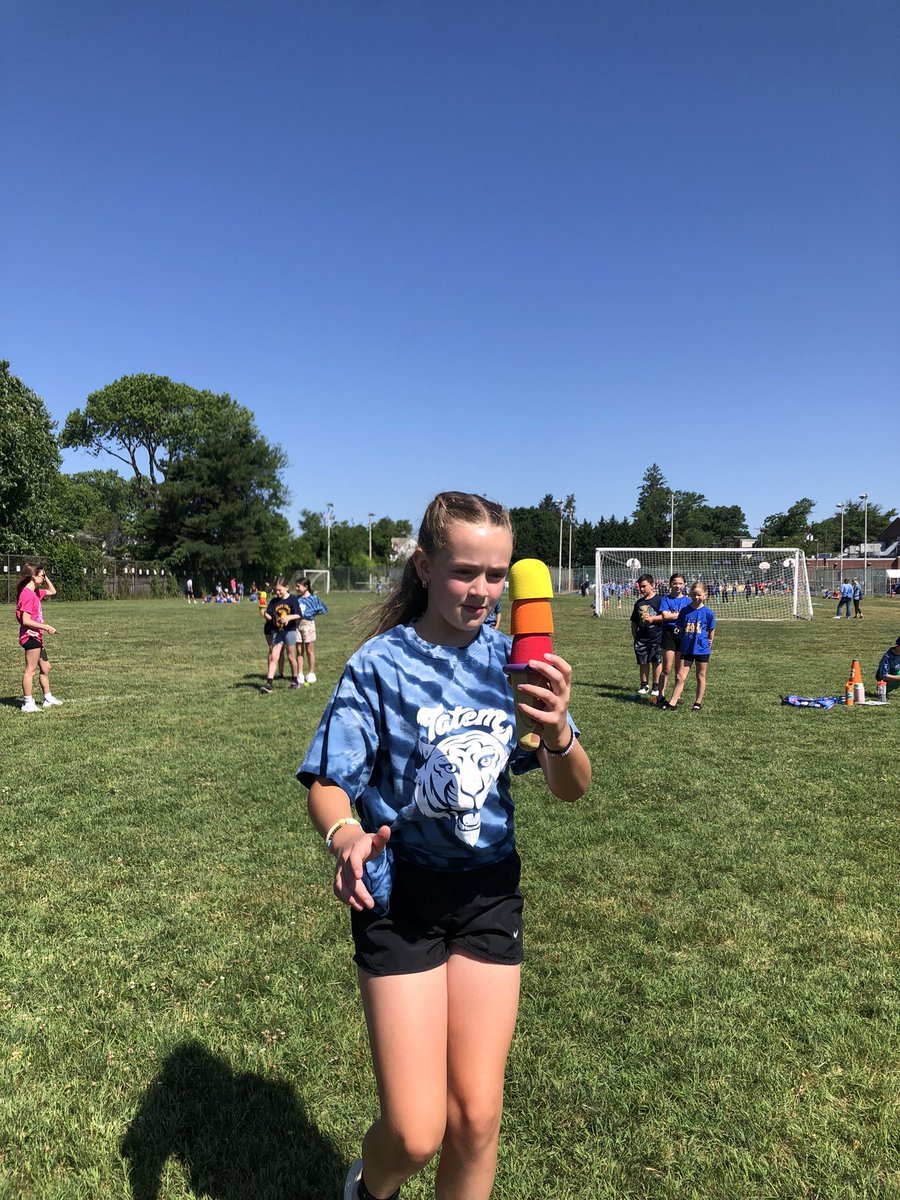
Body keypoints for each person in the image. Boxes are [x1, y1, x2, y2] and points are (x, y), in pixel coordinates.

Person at [298, 491, 590, 1200]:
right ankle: (369, 1189)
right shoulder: (379, 665)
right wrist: (345, 837)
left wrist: (556, 732)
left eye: (497, 575)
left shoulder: (515, 662)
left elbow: (571, 787)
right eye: (465, 572)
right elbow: (329, 781)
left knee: (477, 1119)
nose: (483, 592)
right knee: (415, 1132)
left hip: (488, 892)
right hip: (400, 893)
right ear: (425, 567)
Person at [15, 564, 63, 713]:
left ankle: (47, 698)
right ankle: (28, 703)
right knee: (31, 670)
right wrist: (46, 626)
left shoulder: (35, 592)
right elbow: (26, 620)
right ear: (33, 576)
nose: (43, 578)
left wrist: (44, 575)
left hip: (37, 636)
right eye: (42, 575)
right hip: (30, 636)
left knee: (46, 667)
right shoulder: (28, 594)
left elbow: (52, 591)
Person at [663, 582, 716, 712]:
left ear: (704, 595)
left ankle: (697, 703)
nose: (696, 597)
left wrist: (710, 641)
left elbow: (711, 629)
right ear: (690, 594)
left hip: (701, 649)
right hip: (687, 648)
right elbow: (679, 627)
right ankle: (673, 703)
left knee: (700, 676)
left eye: (699, 595)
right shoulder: (685, 611)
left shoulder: (708, 612)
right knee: (680, 675)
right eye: (694, 594)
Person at [651, 573, 691, 704]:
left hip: (683, 634)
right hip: (669, 634)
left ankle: (676, 696)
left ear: (684, 585)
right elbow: (665, 616)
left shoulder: (688, 600)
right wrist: (680, 615)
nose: (677, 586)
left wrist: (674, 615)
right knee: (667, 668)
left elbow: (689, 616)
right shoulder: (665, 600)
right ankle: (660, 695)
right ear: (670, 585)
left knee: (679, 669)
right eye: (675, 583)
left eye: (680, 583)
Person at [261, 580, 302, 692]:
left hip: (290, 631)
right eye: (275, 590)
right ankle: (269, 683)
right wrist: (263, 612)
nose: (277, 592)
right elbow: (269, 616)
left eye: (279, 590)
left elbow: (299, 615)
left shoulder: (293, 599)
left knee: (290, 656)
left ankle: (294, 680)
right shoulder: (274, 601)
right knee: (274, 656)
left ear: (287, 587)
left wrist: (288, 617)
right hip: (277, 631)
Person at [630, 574, 663, 696]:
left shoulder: (660, 600)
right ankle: (644, 685)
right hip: (642, 637)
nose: (642, 589)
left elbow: (665, 616)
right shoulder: (639, 603)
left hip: (657, 636)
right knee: (643, 662)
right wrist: (635, 635)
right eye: (640, 587)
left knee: (656, 661)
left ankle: (656, 686)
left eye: (644, 586)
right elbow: (634, 621)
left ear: (652, 585)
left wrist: (653, 619)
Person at [294, 577, 328, 684]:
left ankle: (311, 673)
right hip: (296, 625)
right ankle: (299, 673)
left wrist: (310, 616)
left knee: (309, 650)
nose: (296, 588)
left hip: (308, 626)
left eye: (298, 586)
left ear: (306, 587)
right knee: (299, 650)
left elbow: (323, 609)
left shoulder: (314, 599)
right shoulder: (296, 599)